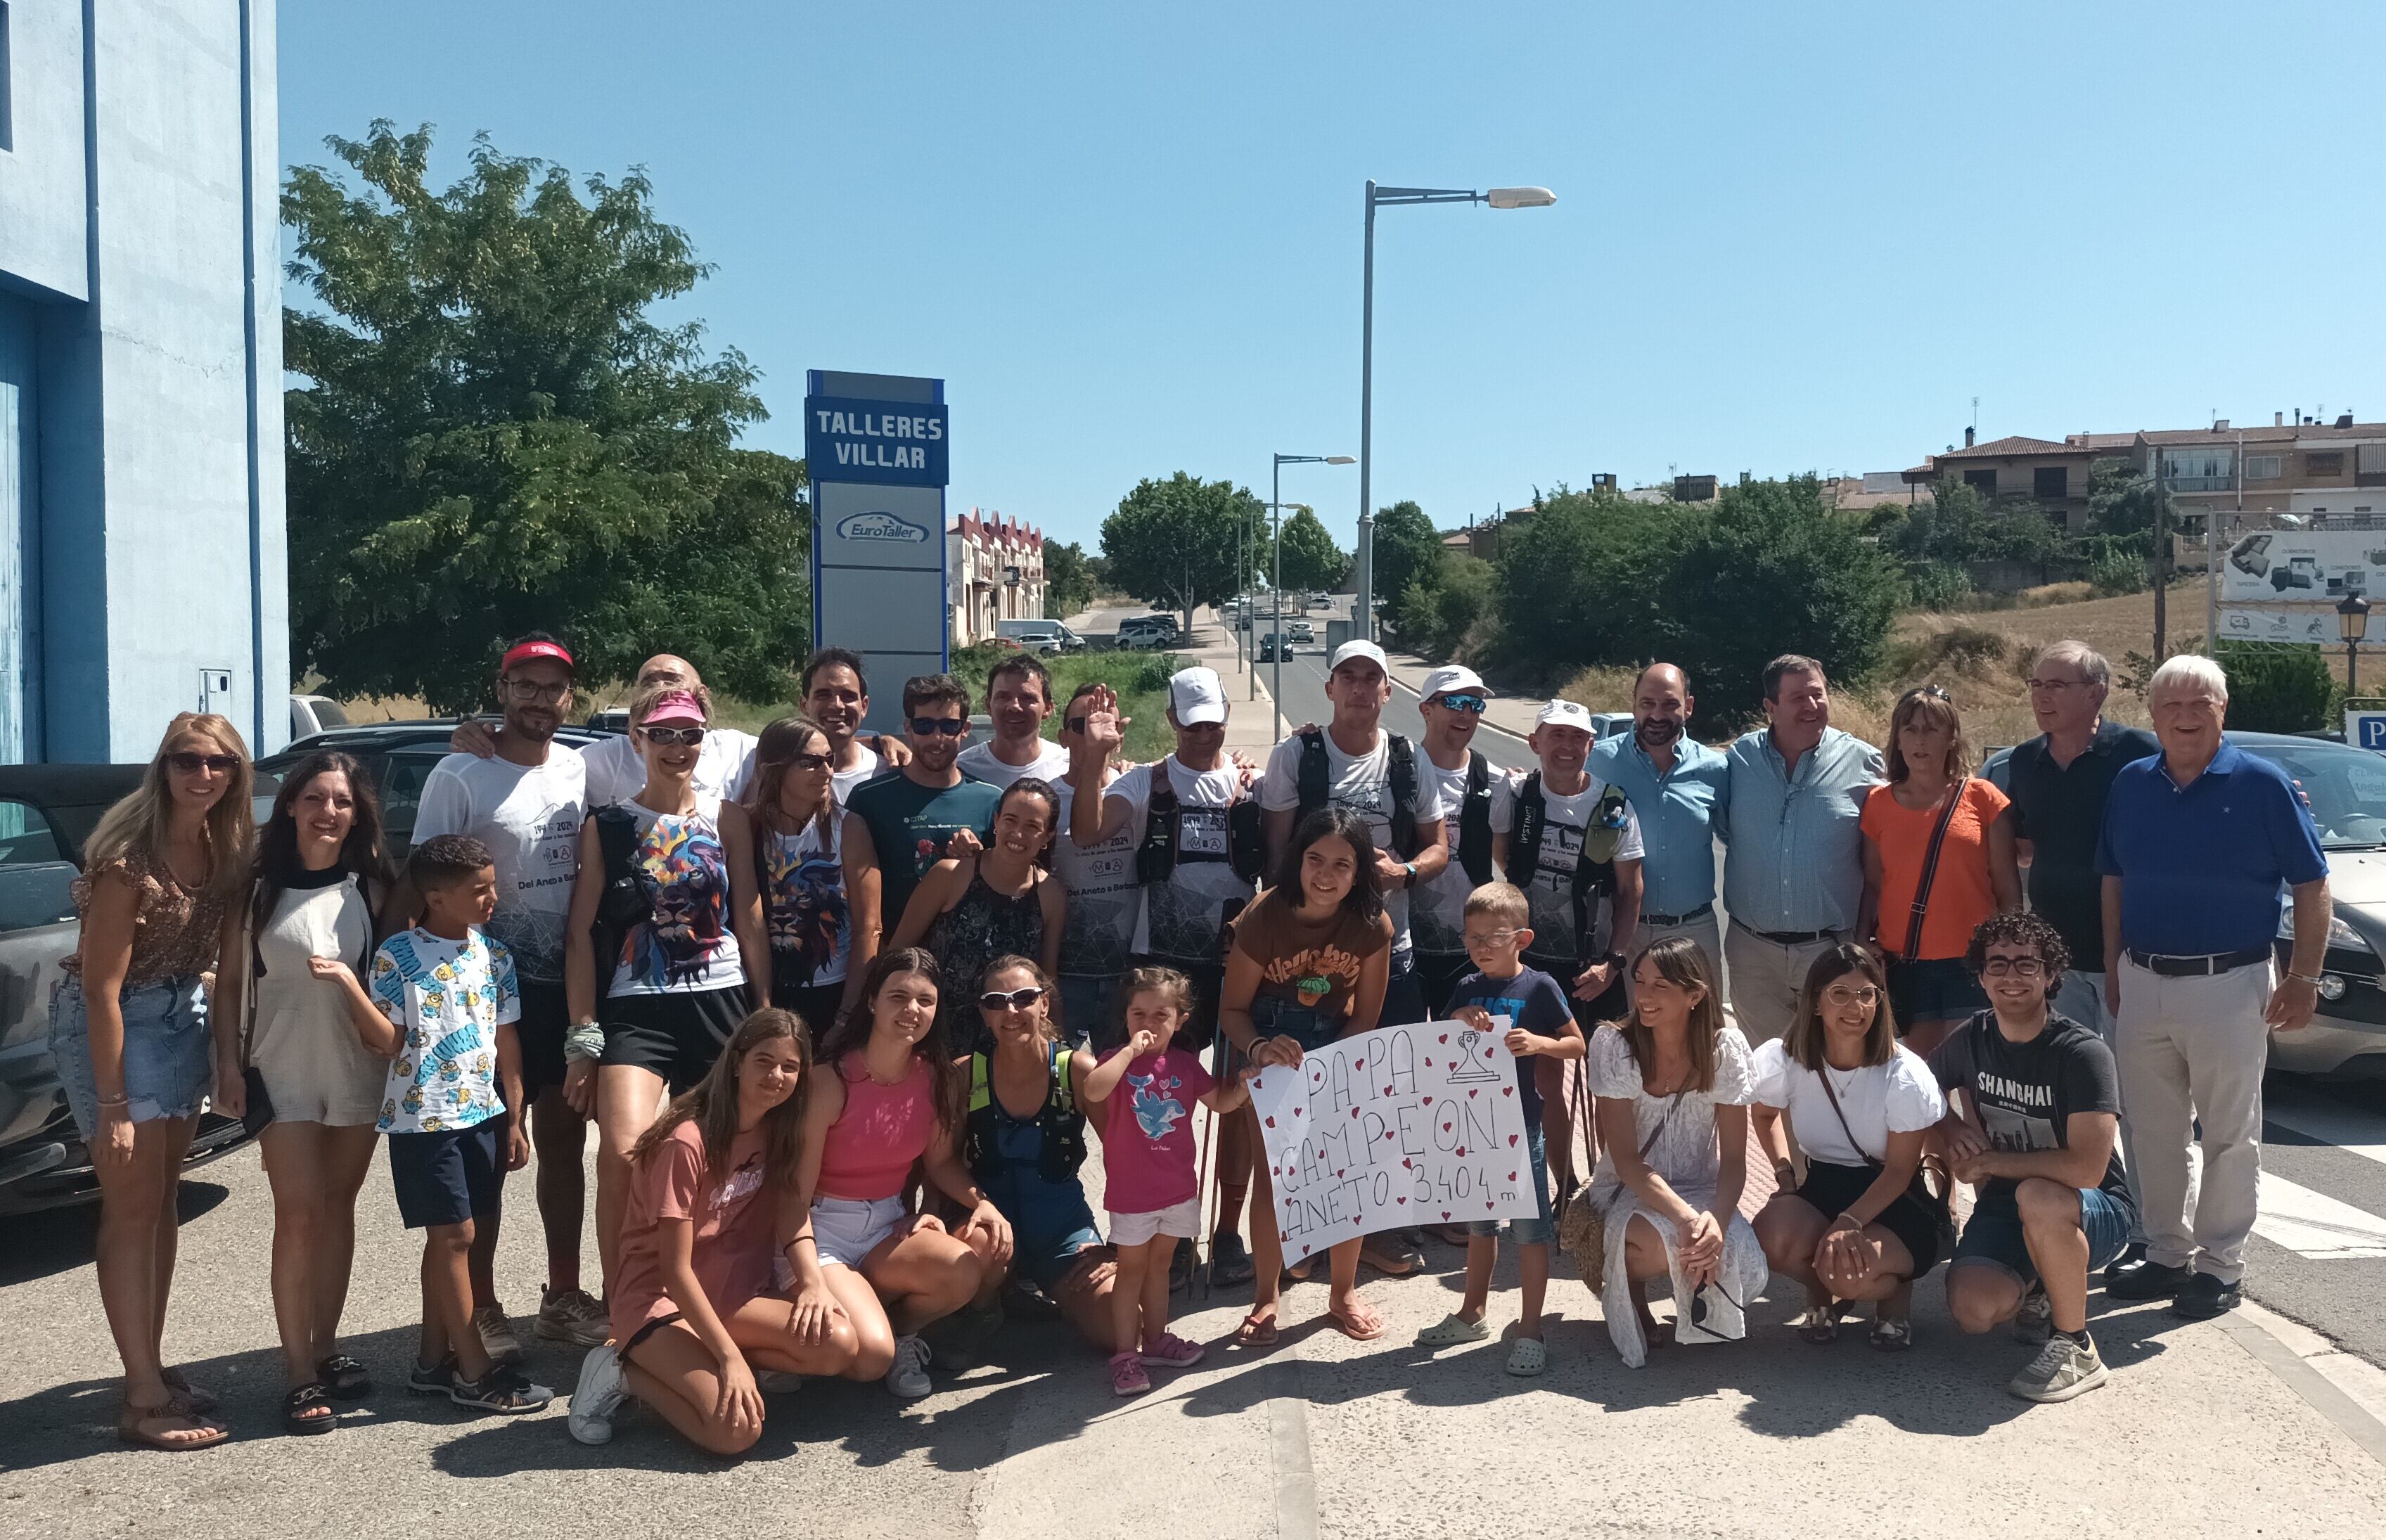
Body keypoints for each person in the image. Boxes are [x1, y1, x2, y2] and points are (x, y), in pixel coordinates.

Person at [2097, 653, 2330, 1319]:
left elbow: (2312, 887)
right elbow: (2112, 878)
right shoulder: (2131, 784)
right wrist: (2114, 967)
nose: (2185, 716)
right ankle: (2167, 1254)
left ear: (2222, 711)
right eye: (2171, 705)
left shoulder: (2263, 785)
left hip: (2229, 982)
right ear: (2152, 715)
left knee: (2228, 1133)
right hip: (2142, 979)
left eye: (2200, 703)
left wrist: (2304, 978)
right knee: (2151, 1131)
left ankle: (2221, 1266)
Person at [52, 712, 252, 1450]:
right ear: (162, 768)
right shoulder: (127, 864)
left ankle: (153, 1368)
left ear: (237, 775)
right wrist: (112, 1106)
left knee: (163, 1202)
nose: (203, 774)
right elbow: (101, 989)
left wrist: (229, 1061)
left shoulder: (229, 853)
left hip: (183, 1015)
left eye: (219, 763)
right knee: (131, 1206)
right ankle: (139, 1399)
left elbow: (230, 973)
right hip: (117, 1023)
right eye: (186, 760)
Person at [410, 633, 603, 1357]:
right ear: (502, 691)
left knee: (562, 1143)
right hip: (485, 991)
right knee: (489, 1150)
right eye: (525, 686)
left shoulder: (581, 768)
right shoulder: (462, 772)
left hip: (567, 980)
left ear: (569, 700)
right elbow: (425, 876)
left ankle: (561, 1292)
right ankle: (484, 1303)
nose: (538, 701)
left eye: (552, 689)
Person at [566, 1008, 861, 1451]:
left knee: (837, 1343)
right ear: (737, 1061)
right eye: (764, 1060)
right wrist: (728, 1359)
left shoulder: (779, 1129)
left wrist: (812, 1284)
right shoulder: (686, 1141)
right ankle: (622, 1374)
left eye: (790, 1066)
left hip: (731, 1294)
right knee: (736, 1433)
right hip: (662, 1300)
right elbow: (674, 1271)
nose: (777, 1075)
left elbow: (790, 1212)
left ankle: (713, 1363)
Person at [562, 684, 769, 1297]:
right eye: (663, 734)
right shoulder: (610, 825)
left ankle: (713, 1291)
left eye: (690, 734)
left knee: (723, 1157)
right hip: (637, 1006)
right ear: (637, 740)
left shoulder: (728, 817)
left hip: (721, 996)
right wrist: (582, 1035)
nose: (678, 747)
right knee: (622, 1154)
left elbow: (749, 918)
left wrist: (763, 1011)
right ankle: (623, 1303)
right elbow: (579, 933)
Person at [214, 752, 397, 1432]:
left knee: (338, 1207)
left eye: (342, 802)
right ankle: (296, 1373)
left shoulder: (373, 888)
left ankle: (325, 1346)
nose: (328, 812)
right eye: (315, 798)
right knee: (296, 1214)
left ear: (358, 815)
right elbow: (231, 984)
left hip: (355, 1070)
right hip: (278, 1069)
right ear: (289, 805)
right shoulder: (255, 889)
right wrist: (227, 1068)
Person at [1069, 667, 1266, 1282]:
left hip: (1232, 963)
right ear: (1173, 720)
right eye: (1193, 722)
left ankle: (1227, 1232)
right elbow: (1084, 831)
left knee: (1234, 1101)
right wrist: (1094, 757)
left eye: (1214, 723)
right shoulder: (1145, 781)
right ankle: (1168, 1228)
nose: (1204, 734)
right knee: (1158, 1097)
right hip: (1162, 966)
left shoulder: (1247, 781)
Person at [349, 835, 552, 1413]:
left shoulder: (495, 955)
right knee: (455, 1238)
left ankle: (431, 1362)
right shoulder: (395, 957)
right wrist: (345, 985)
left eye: (491, 885)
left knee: (456, 1242)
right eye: (478, 890)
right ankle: (475, 1373)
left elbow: (505, 1041)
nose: (492, 898)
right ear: (435, 897)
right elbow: (386, 1042)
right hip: (424, 1120)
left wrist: (515, 1118)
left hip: (483, 1117)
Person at [1997, 640, 2161, 1279]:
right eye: (2037, 684)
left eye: (2058, 685)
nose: (2042, 696)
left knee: (2138, 1101)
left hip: (2127, 961)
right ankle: (2091, 1222)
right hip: (2054, 967)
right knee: (2067, 1106)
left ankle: (2151, 1235)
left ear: (2096, 694)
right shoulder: (2023, 763)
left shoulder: (2136, 755)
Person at [1930, 911, 2134, 1402]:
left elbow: (2085, 1169)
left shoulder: (2081, 1053)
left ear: (2049, 976)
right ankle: (2042, 1285)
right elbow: (1917, 1089)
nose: (2011, 976)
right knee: (1973, 1311)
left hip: (2093, 1207)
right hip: (2010, 1201)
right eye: (1997, 964)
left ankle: (2076, 1347)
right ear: (1980, 978)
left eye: (2026, 964)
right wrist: (1950, 1125)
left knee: (2039, 1196)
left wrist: (1988, 1164)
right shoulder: (1972, 1038)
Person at [796, 949, 1012, 1399]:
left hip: (887, 1226)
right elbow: (792, 1195)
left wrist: (982, 1203)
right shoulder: (829, 1080)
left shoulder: (934, 1078)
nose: (912, 1011)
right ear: (872, 1001)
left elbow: (940, 1163)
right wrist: (809, 1275)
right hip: (824, 1231)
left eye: (925, 1000)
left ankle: (901, 1333)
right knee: (869, 1358)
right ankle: (848, 1324)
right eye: (898, 997)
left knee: (967, 1267)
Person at [1221, 808, 1397, 1345]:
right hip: (1269, 1052)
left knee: (1346, 1174)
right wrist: (1259, 1048)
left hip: (1338, 1051)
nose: (1325, 875)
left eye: (1342, 864)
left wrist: (1328, 1066)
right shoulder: (1263, 916)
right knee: (1274, 1181)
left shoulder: (1372, 925)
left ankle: (1342, 1293)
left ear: (1359, 871)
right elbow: (1232, 1011)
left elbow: (1366, 1017)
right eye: (1314, 860)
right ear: (1296, 860)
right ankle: (1265, 1296)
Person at [1414, 883, 1582, 1377]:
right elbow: (1439, 1042)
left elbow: (1577, 1046)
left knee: (1529, 1233)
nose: (1481, 947)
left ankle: (1530, 1328)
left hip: (1521, 1127)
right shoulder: (1466, 987)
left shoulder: (1540, 987)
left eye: (1493, 937)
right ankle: (1473, 1313)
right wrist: (1454, 1020)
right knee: (1478, 1227)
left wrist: (1539, 1044)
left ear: (1522, 938)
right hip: (1472, 1130)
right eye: (1471, 938)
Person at [1750, 944, 1949, 1352]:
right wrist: (1785, 1176)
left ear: (1879, 1001)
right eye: (1840, 993)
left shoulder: (1903, 1073)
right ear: (1817, 1003)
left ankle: (1894, 1300)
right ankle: (1821, 1299)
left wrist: (1849, 1221)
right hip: (1823, 1182)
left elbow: (1898, 1172)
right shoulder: (1789, 1059)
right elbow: (1763, 1116)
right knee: (1771, 1235)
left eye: (1866, 994)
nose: (1855, 1006)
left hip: (1893, 1196)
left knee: (1849, 1273)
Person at [1583, 936, 1766, 1369]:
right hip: (1630, 1186)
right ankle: (1637, 1301)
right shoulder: (1614, 1045)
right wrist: (1686, 1219)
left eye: (1660, 987)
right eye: (1640, 982)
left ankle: (1702, 1312)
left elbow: (1736, 1161)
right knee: (1653, 1241)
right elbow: (1627, 1160)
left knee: (1737, 1251)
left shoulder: (1726, 1049)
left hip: (1703, 1185)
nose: (1642, 997)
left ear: (1695, 995)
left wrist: (1715, 1222)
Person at [1492, 698, 1644, 1195]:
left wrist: (1612, 962)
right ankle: (1562, 1183)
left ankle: (1611, 1185)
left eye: (1576, 737)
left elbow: (1630, 890)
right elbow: (1505, 870)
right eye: (1555, 735)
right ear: (1534, 742)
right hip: (1533, 965)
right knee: (1543, 1083)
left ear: (1590, 745)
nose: (1566, 746)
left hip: (1593, 966)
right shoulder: (1513, 795)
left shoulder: (1613, 805)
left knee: (1609, 1086)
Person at [1260, 639, 1449, 1029]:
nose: (1359, 689)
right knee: (1311, 1076)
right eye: (1348, 678)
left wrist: (1404, 873)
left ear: (1388, 691)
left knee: (1397, 1078)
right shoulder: (1295, 755)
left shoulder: (1410, 759)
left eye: (1371, 679)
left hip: (1390, 947)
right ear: (1330, 689)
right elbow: (1276, 856)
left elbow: (1438, 847)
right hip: (1311, 953)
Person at [1084, 965, 1252, 1396]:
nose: (1149, 1025)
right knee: (1131, 1270)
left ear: (1181, 1020)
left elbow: (1222, 1102)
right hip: (1133, 1194)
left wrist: (1247, 1084)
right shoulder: (1113, 1062)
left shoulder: (1185, 1064)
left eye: (1161, 1015)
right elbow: (1093, 1091)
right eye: (1139, 1014)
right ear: (1126, 1018)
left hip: (1177, 1189)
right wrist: (1127, 1053)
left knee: (1160, 1267)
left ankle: (1156, 1339)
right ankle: (1125, 1354)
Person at [1719, 655, 1885, 1046]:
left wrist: (1865, 937)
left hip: (1832, 950)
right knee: (1767, 1073)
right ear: (1770, 708)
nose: (1811, 706)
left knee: (1837, 1064)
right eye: (1797, 698)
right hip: (1753, 954)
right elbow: (1727, 831)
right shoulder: (1740, 759)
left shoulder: (1865, 762)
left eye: (1818, 694)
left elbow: (1879, 861)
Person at [958, 956, 1122, 1350]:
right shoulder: (964, 1074)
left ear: (1044, 1003)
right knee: (977, 1252)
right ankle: (988, 1303)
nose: (1010, 1011)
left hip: (1061, 1231)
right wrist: (973, 1206)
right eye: (996, 1001)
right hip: (990, 1232)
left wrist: (1118, 1247)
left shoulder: (1079, 1071)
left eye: (1024, 997)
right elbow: (938, 1162)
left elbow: (1125, 1159)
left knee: (1119, 1328)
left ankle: (1050, 1291)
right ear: (984, 1013)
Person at [1857, 686, 2019, 1055]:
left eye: (1932, 729)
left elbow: (2008, 889)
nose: (1920, 740)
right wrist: (1862, 943)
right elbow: (1873, 884)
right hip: (1906, 962)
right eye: (1910, 729)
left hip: (1973, 961)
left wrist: (2008, 953)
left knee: (1976, 1079)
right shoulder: (1878, 804)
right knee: (1921, 1080)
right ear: (1897, 739)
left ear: (1952, 738)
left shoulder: (1983, 798)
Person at [843, 674, 1004, 996]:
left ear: (966, 729)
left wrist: (979, 859)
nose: (937, 738)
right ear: (907, 728)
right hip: (893, 965)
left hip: (969, 972)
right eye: (924, 726)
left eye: (949, 726)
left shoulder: (991, 800)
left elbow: (1006, 883)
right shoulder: (869, 798)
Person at [449, 650, 762, 807]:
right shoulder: (603, 760)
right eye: (648, 683)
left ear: (701, 694)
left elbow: (805, 752)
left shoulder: (738, 751)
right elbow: (536, 768)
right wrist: (482, 739)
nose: (660, 689)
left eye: (672, 679)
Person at [892, 778, 1066, 1043]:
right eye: (1010, 820)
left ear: (1048, 837)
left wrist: (1057, 1047)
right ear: (996, 821)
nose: (1018, 833)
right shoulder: (950, 875)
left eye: (1032, 827)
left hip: (1007, 1042)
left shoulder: (1050, 894)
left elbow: (1047, 980)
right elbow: (898, 955)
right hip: (937, 1037)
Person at [1589, 663, 1728, 968]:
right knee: (1624, 1017)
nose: (1656, 715)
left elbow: (1740, 840)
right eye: (1647, 704)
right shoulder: (1600, 761)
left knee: (1702, 1016)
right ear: (1634, 704)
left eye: (1669, 704)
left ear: (1689, 707)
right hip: (1622, 930)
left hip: (1695, 931)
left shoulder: (1715, 769)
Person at [1050, 682, 1144, 1046]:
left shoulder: (1140, 788)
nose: (1093, 733)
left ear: (1118, 736)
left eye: (1104, 724)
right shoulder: (1044, 797)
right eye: (1081, 725)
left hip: (1130, 975)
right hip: (1068, 973)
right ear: (1062, 737)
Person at [1409, 666, 1504, 1020]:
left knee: (1467, 1054)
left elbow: (1506, 862)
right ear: (1426, 709)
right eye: (1456, 702)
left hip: (1471, 948)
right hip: (1407, 946)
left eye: (1476, 706)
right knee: (1408, 1056)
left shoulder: (1495, 780)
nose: (1466, 714)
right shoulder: (1398, 770)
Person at [746, 714, 852, 1032]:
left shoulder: (848, 827)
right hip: (763, 989)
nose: (827, 771)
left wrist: (848, 1014)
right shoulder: (746, 826)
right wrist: (762, 1007)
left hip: (833, 989)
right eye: (810, 762)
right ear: (772, 767)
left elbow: (870, 928)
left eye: (829, 760)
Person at [798, 646, 911, 802]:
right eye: (824, 695)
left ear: (864, 706)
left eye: (848, 696)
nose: (837, 705)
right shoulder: (781, 773)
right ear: (804, 705)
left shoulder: (891, 774)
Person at [957, 653, 1072, 789]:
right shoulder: (962, 770)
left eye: (1027, 698)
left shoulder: (1068, 767)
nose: (1014, 706)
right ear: (988, 706)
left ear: (1048, 708)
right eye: (1003, 697)